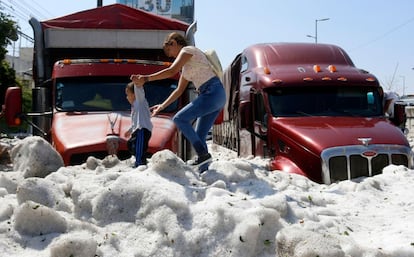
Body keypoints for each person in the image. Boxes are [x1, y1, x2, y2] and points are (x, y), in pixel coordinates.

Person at [130, 32, 226, 169]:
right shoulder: (187, 69)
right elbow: (178, 91)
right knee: (199, 135)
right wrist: (162, 106)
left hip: (212, 92)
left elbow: (171, 71)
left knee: (179, 119)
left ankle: (203, 155)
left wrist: (145, 79)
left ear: (174, 43)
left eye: (171, 52)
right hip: (215, 95)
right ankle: (204, 170)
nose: (173, 57)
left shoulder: (188, 50)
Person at [125, 82, 153, 168]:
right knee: (130, 144)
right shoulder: (134, 106)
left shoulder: (140, 102)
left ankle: (140, 163)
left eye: (128, 94)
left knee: (139, 148)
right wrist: (130, 130)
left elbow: (139, 90)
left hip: (142, 130)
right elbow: (135, 122)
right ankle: (139, 161)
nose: (127, 97)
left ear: (134, 94)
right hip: (137, 130)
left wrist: (137, 82)